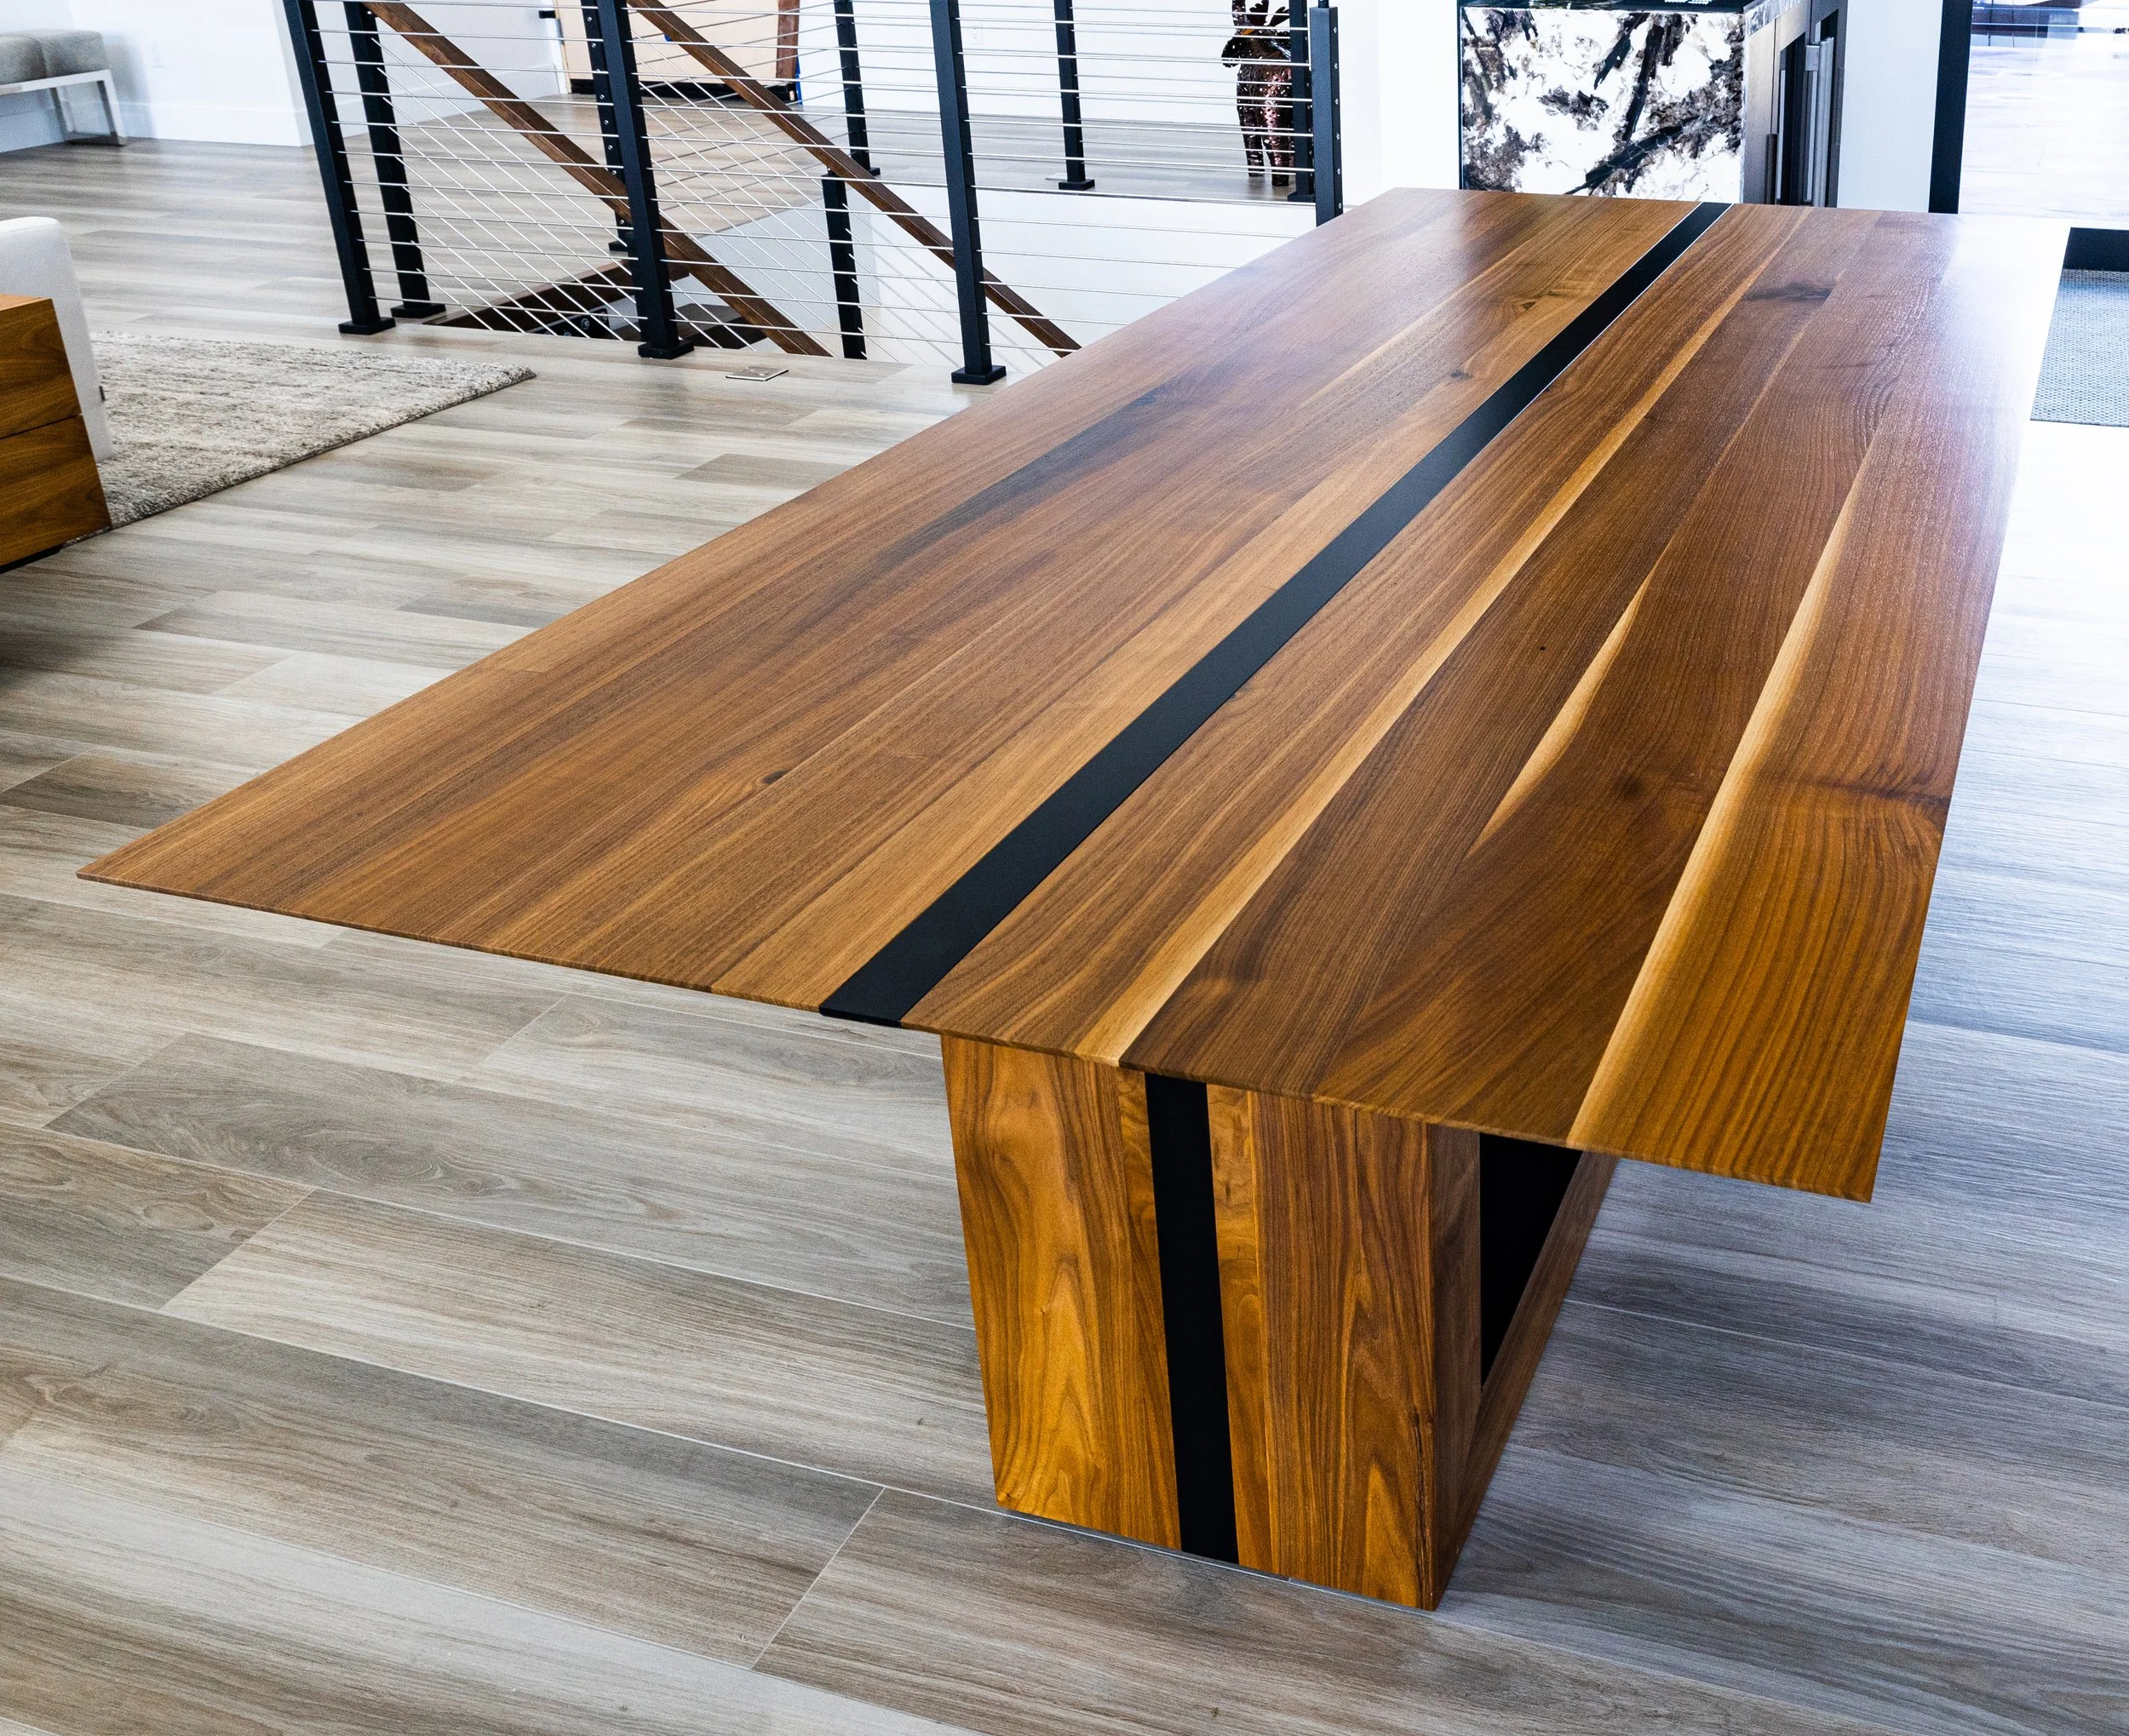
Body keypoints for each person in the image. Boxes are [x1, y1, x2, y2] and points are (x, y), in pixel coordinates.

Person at [1221, 0, 1293, 183]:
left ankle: (1265, 170)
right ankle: (1292, 168)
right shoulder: (1271, 39)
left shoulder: (1247, 42)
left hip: (1264, 75)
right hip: (1287, 70)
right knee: (1293, 122)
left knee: (1261, 124)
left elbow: (1228, 59)